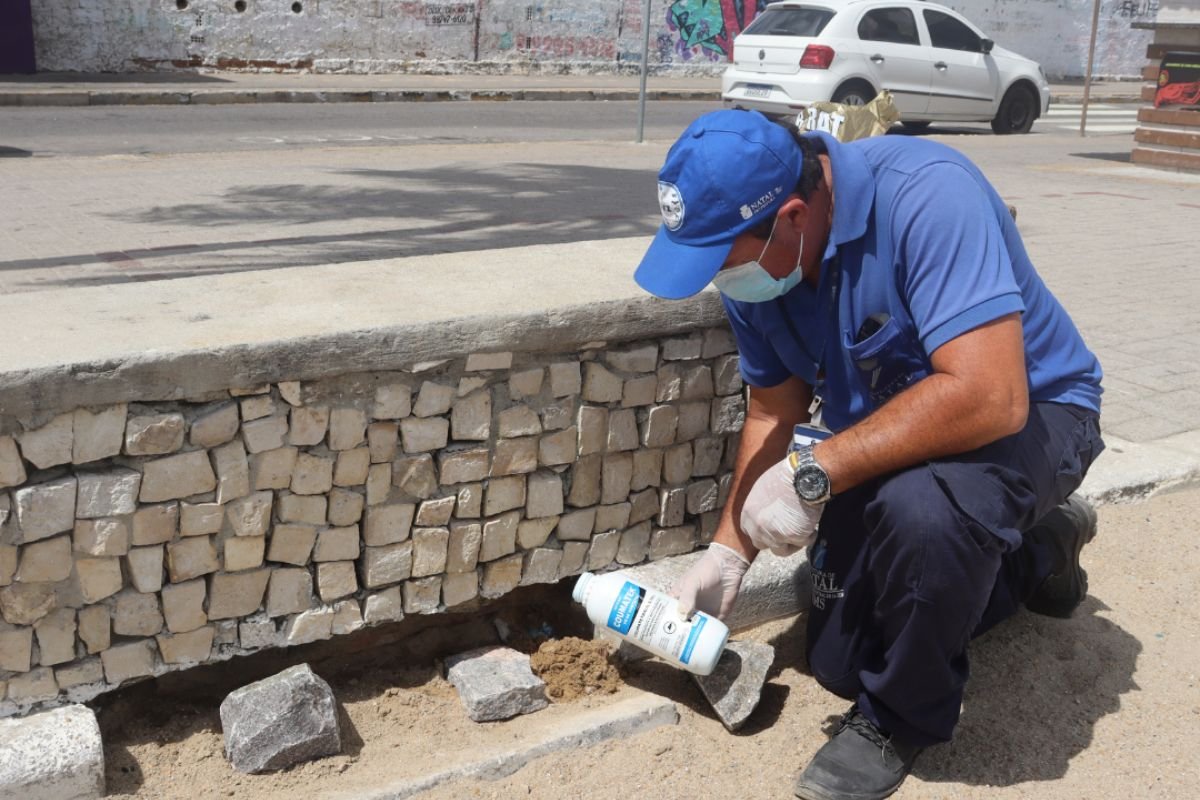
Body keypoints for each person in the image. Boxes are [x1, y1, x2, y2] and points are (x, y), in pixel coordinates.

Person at [633, 109, 1104, 800]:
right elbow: (773, 409)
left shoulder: (927, 195)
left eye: (723, 263)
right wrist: (729, 550)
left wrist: (811, 476)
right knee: (840, 660)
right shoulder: (763, 261)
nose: (719, 281)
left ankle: (898, 720)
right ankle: (1040, 551)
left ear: (794, 217)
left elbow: (991, 396)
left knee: (924, 516)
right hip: (901, 432)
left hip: (1036, 412)